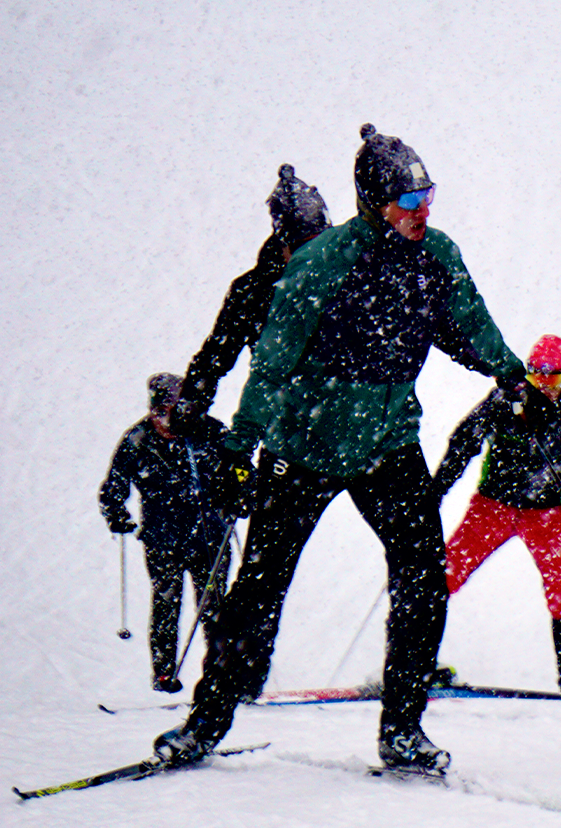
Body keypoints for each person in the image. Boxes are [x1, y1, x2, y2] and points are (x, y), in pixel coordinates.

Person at [152, 124, 532, 774]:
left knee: (422, 576)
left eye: (428, 198)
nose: (423, 214)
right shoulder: (320, 266)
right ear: (372, 203)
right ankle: (206, 722)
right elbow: (268, 367)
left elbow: (470, 321)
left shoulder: (437, 257)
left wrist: (511, 372)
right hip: (304, 447)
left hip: (387, 444)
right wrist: (241, 446)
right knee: (257, 591)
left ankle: (403, 730)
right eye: (408, 203)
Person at [433, 334, 561, 698]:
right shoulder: (503, 402)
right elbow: (464, 442)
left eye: (553, 377)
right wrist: (435, 491)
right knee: (445, 574)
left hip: (547, 515)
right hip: (492, 507)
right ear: (527, 371)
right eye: (536, 374)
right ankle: (413, 661)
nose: (544, 384)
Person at [171, 165, 331, 437]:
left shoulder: (347, 271)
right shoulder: (252, 293)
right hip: (288, 430)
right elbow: (213, 359)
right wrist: (189, 407)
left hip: (352, 422)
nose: (313, 255)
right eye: (302, 246)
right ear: (283, 244)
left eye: (322, 242)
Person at [100, 373, 231, 692]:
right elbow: (113, 487)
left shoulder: (209, 430)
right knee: (166, 602)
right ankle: (163, 674)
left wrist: (235, 492)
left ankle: (222, 674)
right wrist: (116, 513)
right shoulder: (137, 439)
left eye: (172, 409)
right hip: (163, 539)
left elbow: (237, 467)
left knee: (214, 604)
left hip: (208, 537)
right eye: (160, 411)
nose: (166, 420)